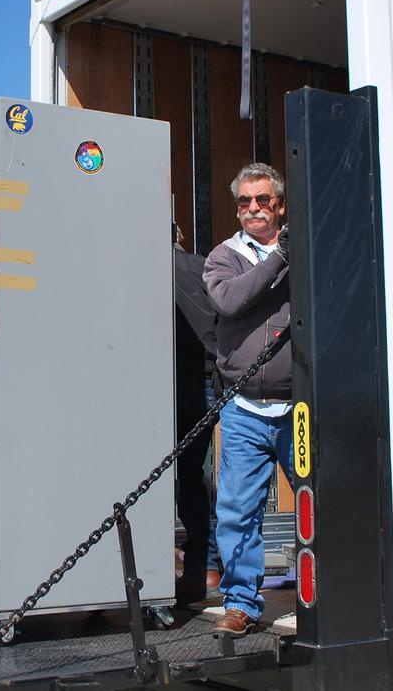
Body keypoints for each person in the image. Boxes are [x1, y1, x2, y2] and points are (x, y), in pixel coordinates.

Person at [202, 163, 293, 637]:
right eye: (244, 201)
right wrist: (280, 259)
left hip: (300, 408)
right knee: (237, 511)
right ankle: (241, 603)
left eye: (262, 200)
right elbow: (231, 301)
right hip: (244, 410)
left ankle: (337, 596)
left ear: (280, 204)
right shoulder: (224, 256)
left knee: (326, 502)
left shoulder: (305, 249)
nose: (253, 209)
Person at [172, 225, 222, 604]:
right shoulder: (203, 266)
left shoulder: (147, 268)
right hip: (210, 377)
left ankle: (199, 565)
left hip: (176, 378)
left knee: (179, 476)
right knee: (196, 473)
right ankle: (208, 565)